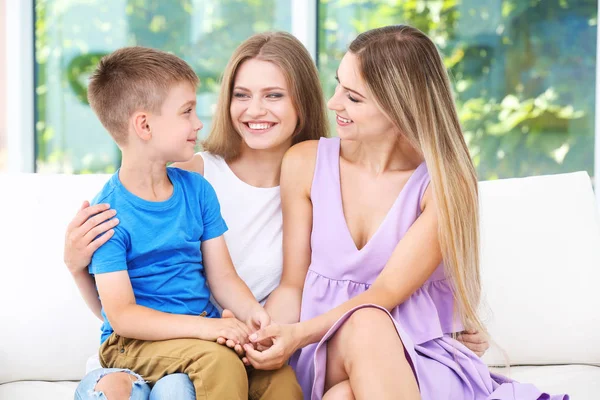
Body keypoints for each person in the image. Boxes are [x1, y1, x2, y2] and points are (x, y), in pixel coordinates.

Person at [65, 32, 490, 400]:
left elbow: (266, 285)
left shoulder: (309, 172)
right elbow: (133, 287)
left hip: (266, 343)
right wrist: (76, 267)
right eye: (241, 95)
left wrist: (265, 330)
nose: (255, 110)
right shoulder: (191, 176)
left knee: (331, 387)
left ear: (300, 102)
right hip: (200, 346)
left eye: (273, 95)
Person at [241, 25, 568, 400]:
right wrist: (268, 335)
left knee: (345, 389)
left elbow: (384, 293)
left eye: (353, 98)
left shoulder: (444, 184)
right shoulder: (305, 162)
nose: (333, 104)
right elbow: (292, 285)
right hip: (322, 350)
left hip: (414, 354)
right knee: (363, 329)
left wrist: (298, 333)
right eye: (338, 86)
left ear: (399, 109)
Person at [72, 45, 298, 400]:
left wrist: (254, 316)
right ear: (144, 125)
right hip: (134, 343)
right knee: (218, 362)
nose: (198, 123)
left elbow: (223, 278)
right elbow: (123, 316)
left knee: (279, 377)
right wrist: (206, 331)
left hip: (198, 336)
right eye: (187, 111)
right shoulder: (108, 215)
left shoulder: (198, 190)